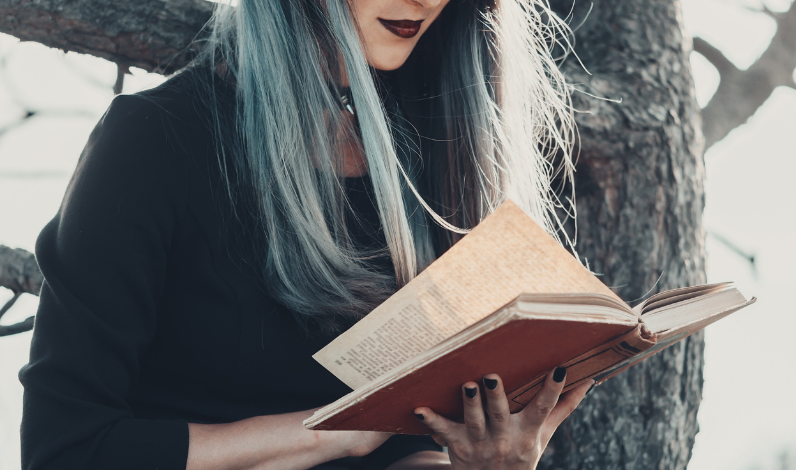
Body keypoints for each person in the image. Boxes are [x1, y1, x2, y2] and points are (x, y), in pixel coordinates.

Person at [19, 0, 594, 469]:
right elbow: (64, 449)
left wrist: (488, 465)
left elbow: (406, 442)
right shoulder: (152, 142)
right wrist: (330, 431)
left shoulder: (425, 147)